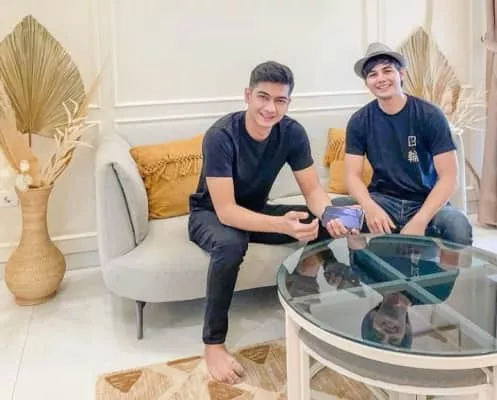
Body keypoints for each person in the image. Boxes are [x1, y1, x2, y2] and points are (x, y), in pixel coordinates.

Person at [188, 61, 353, 384]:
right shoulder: (221, 136)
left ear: (288, 103)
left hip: (255, 210)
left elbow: (313, 191)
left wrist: (330, 215)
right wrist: (281, 226)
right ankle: (213, 344)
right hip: (210, 215)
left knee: (321, 217)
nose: (270, 108)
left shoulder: (292, 133)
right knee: (231, 243)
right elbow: (227, 212)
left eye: (280, 100)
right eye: (263, 97)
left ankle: (308, 301)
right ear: (247, 95)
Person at [332, 42, 473, 246]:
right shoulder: (359, 120)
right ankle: (359, 266)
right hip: (383, 200)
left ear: (401, 74)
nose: (381, 79)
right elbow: (352, 175)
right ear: (367, 83)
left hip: (425, 201)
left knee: (457, 225)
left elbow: (449, 178)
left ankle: (447, 269)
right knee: (336, 212)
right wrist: (370, 208)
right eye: (373, 74)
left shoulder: (430, 115)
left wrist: (420, 221)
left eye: (387, 71)